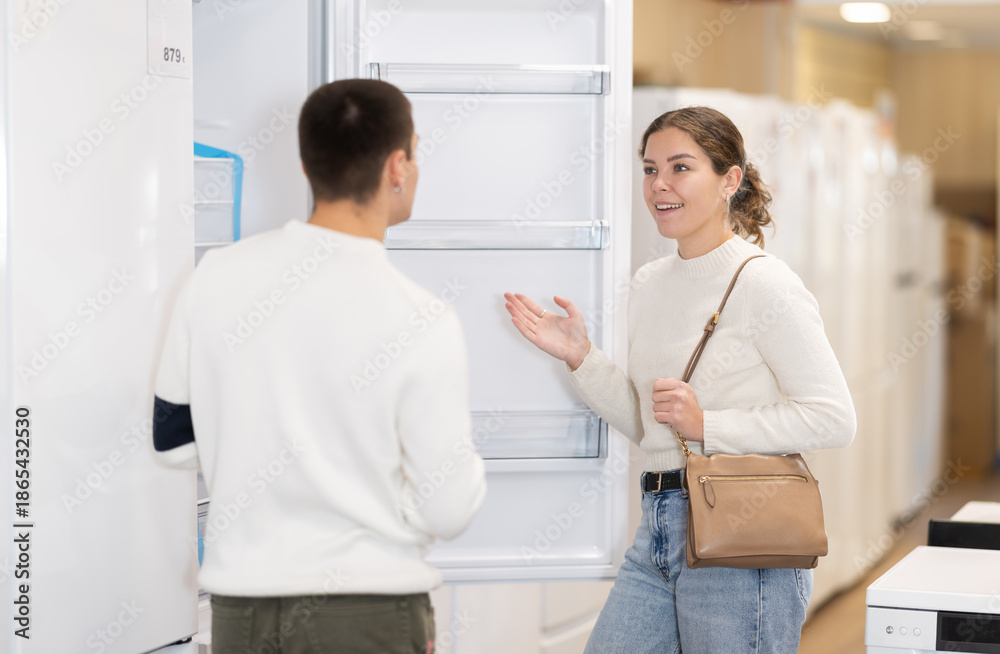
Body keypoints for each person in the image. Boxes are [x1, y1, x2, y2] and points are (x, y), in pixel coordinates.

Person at [152, 79, 487, 654]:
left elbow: (172, 440)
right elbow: (448, 506)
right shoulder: (421, 317)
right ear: (398, 166)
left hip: (241, 614)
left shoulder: (216, 276)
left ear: (307, 166)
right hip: (370, 613)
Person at [504, 106, 856, 653]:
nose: (659, 185)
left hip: (742, 533)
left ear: (729, 181)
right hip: (659, 525)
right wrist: (581, 357)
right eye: (649, 170)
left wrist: (706, 423)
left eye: (680, 168)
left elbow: (834, 416)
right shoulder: (649, 284)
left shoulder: (764, 284)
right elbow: (654, 427)